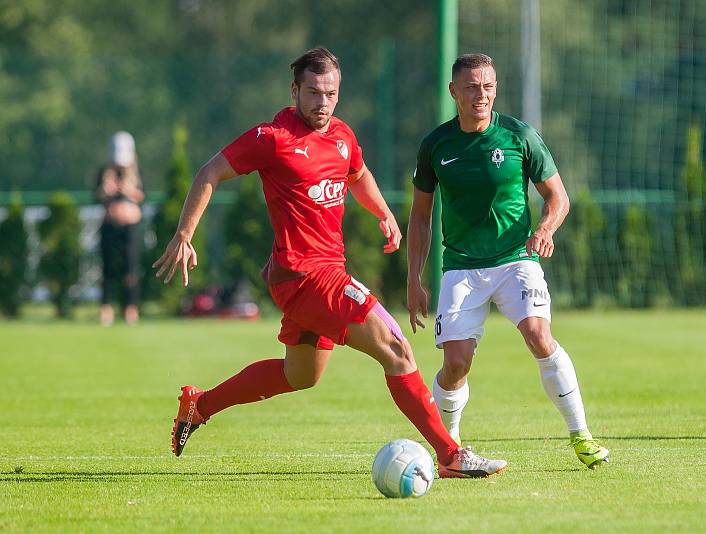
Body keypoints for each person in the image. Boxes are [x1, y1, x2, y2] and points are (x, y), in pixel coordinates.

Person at [153, 47, 506, 479]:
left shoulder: (341, 135)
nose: (323, 103)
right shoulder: (272, 137)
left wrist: (383, 215)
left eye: (331, 93)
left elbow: (357, 174)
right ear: (295, 90)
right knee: (396, 349)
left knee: (300, 374)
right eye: (314, 93)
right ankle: (451, 455)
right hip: (304, 276)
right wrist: (185, 234)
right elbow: (208, 173)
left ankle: (199, 405)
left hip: (323, 273)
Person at [406, 53, 610, 469]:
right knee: (456, 363)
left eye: (488, 86)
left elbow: (559, 198)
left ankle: (581, 435)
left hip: (516, 258)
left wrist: (545, 229)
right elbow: (421, 217)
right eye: (471, 87)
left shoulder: (519, 135)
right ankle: (451, 448)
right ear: (454, 92)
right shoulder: (436, 145)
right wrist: (414, 279)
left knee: (538, 335)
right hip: (461, 266)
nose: (481, 94)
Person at [95, 131, 145, 326]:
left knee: (130, 269)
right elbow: (96, 196)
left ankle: (130, 309)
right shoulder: (104, 172)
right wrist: (105, 191)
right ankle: (106, 309)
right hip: (109, 225)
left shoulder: (137, 172)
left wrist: (128, 190)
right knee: (107, 269)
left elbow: (143, 196)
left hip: (131, 226)